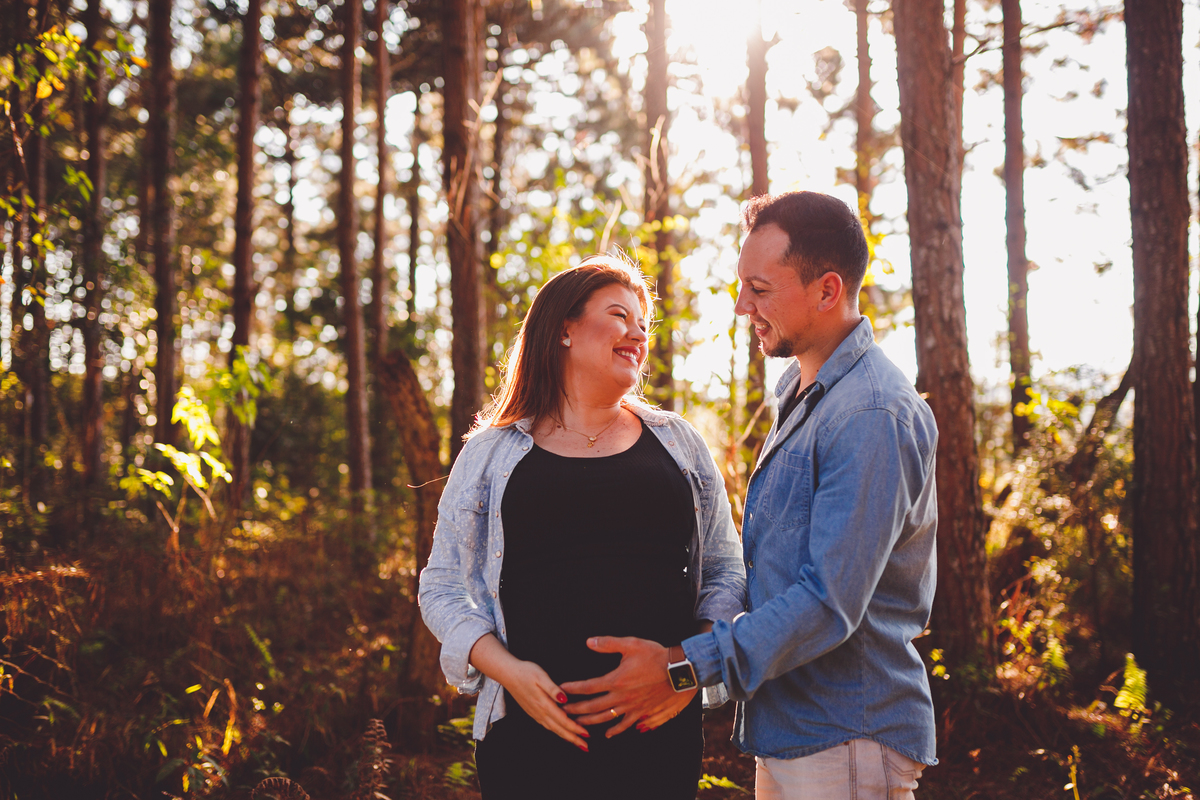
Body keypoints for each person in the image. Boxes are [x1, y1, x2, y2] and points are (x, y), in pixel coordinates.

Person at [560, 192, 939, 799]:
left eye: (760, 289)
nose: (742, 307)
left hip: (845, 735)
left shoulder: (870, 413)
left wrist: (682, 667)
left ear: (827, 290)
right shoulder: (803, 392)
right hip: (792, 729)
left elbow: (828, 603)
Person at [418, 255, 746, 800]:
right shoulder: (492, 454)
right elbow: (443, 586)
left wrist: (685, 676)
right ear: (565, 329)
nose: (638, 334)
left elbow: (726, 572)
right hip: (531, 742)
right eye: (620, 316)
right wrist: (512, 676)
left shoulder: (678, 443)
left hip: (656, 736)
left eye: (644, 324)